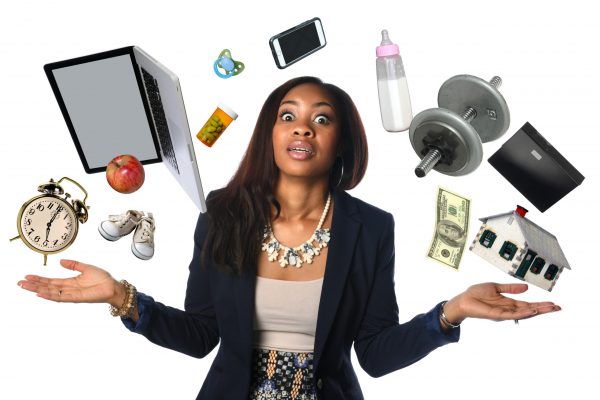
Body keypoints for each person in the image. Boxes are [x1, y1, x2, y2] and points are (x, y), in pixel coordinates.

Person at [18, 76, 560, 400]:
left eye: (321, 120)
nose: (303, 128)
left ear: (341, 142)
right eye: (288, 116)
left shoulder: (371, 228)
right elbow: (200, 334)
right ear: (271, 133)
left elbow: (373, 353)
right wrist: (122, 298)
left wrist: (449, 313)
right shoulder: (221, 216)